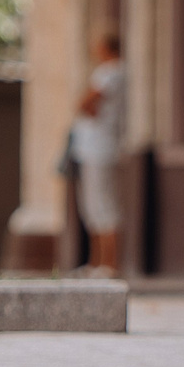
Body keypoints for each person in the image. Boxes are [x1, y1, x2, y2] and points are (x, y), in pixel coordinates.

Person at [70, 31, 126, 277]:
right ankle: (97, 263)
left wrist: (86, 107)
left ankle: (109, 264)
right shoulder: (113, 73)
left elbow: (85, 102)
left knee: (103, 206)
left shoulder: (111, 72)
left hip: (100, 149)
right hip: (94, 148)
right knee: (92, 207)